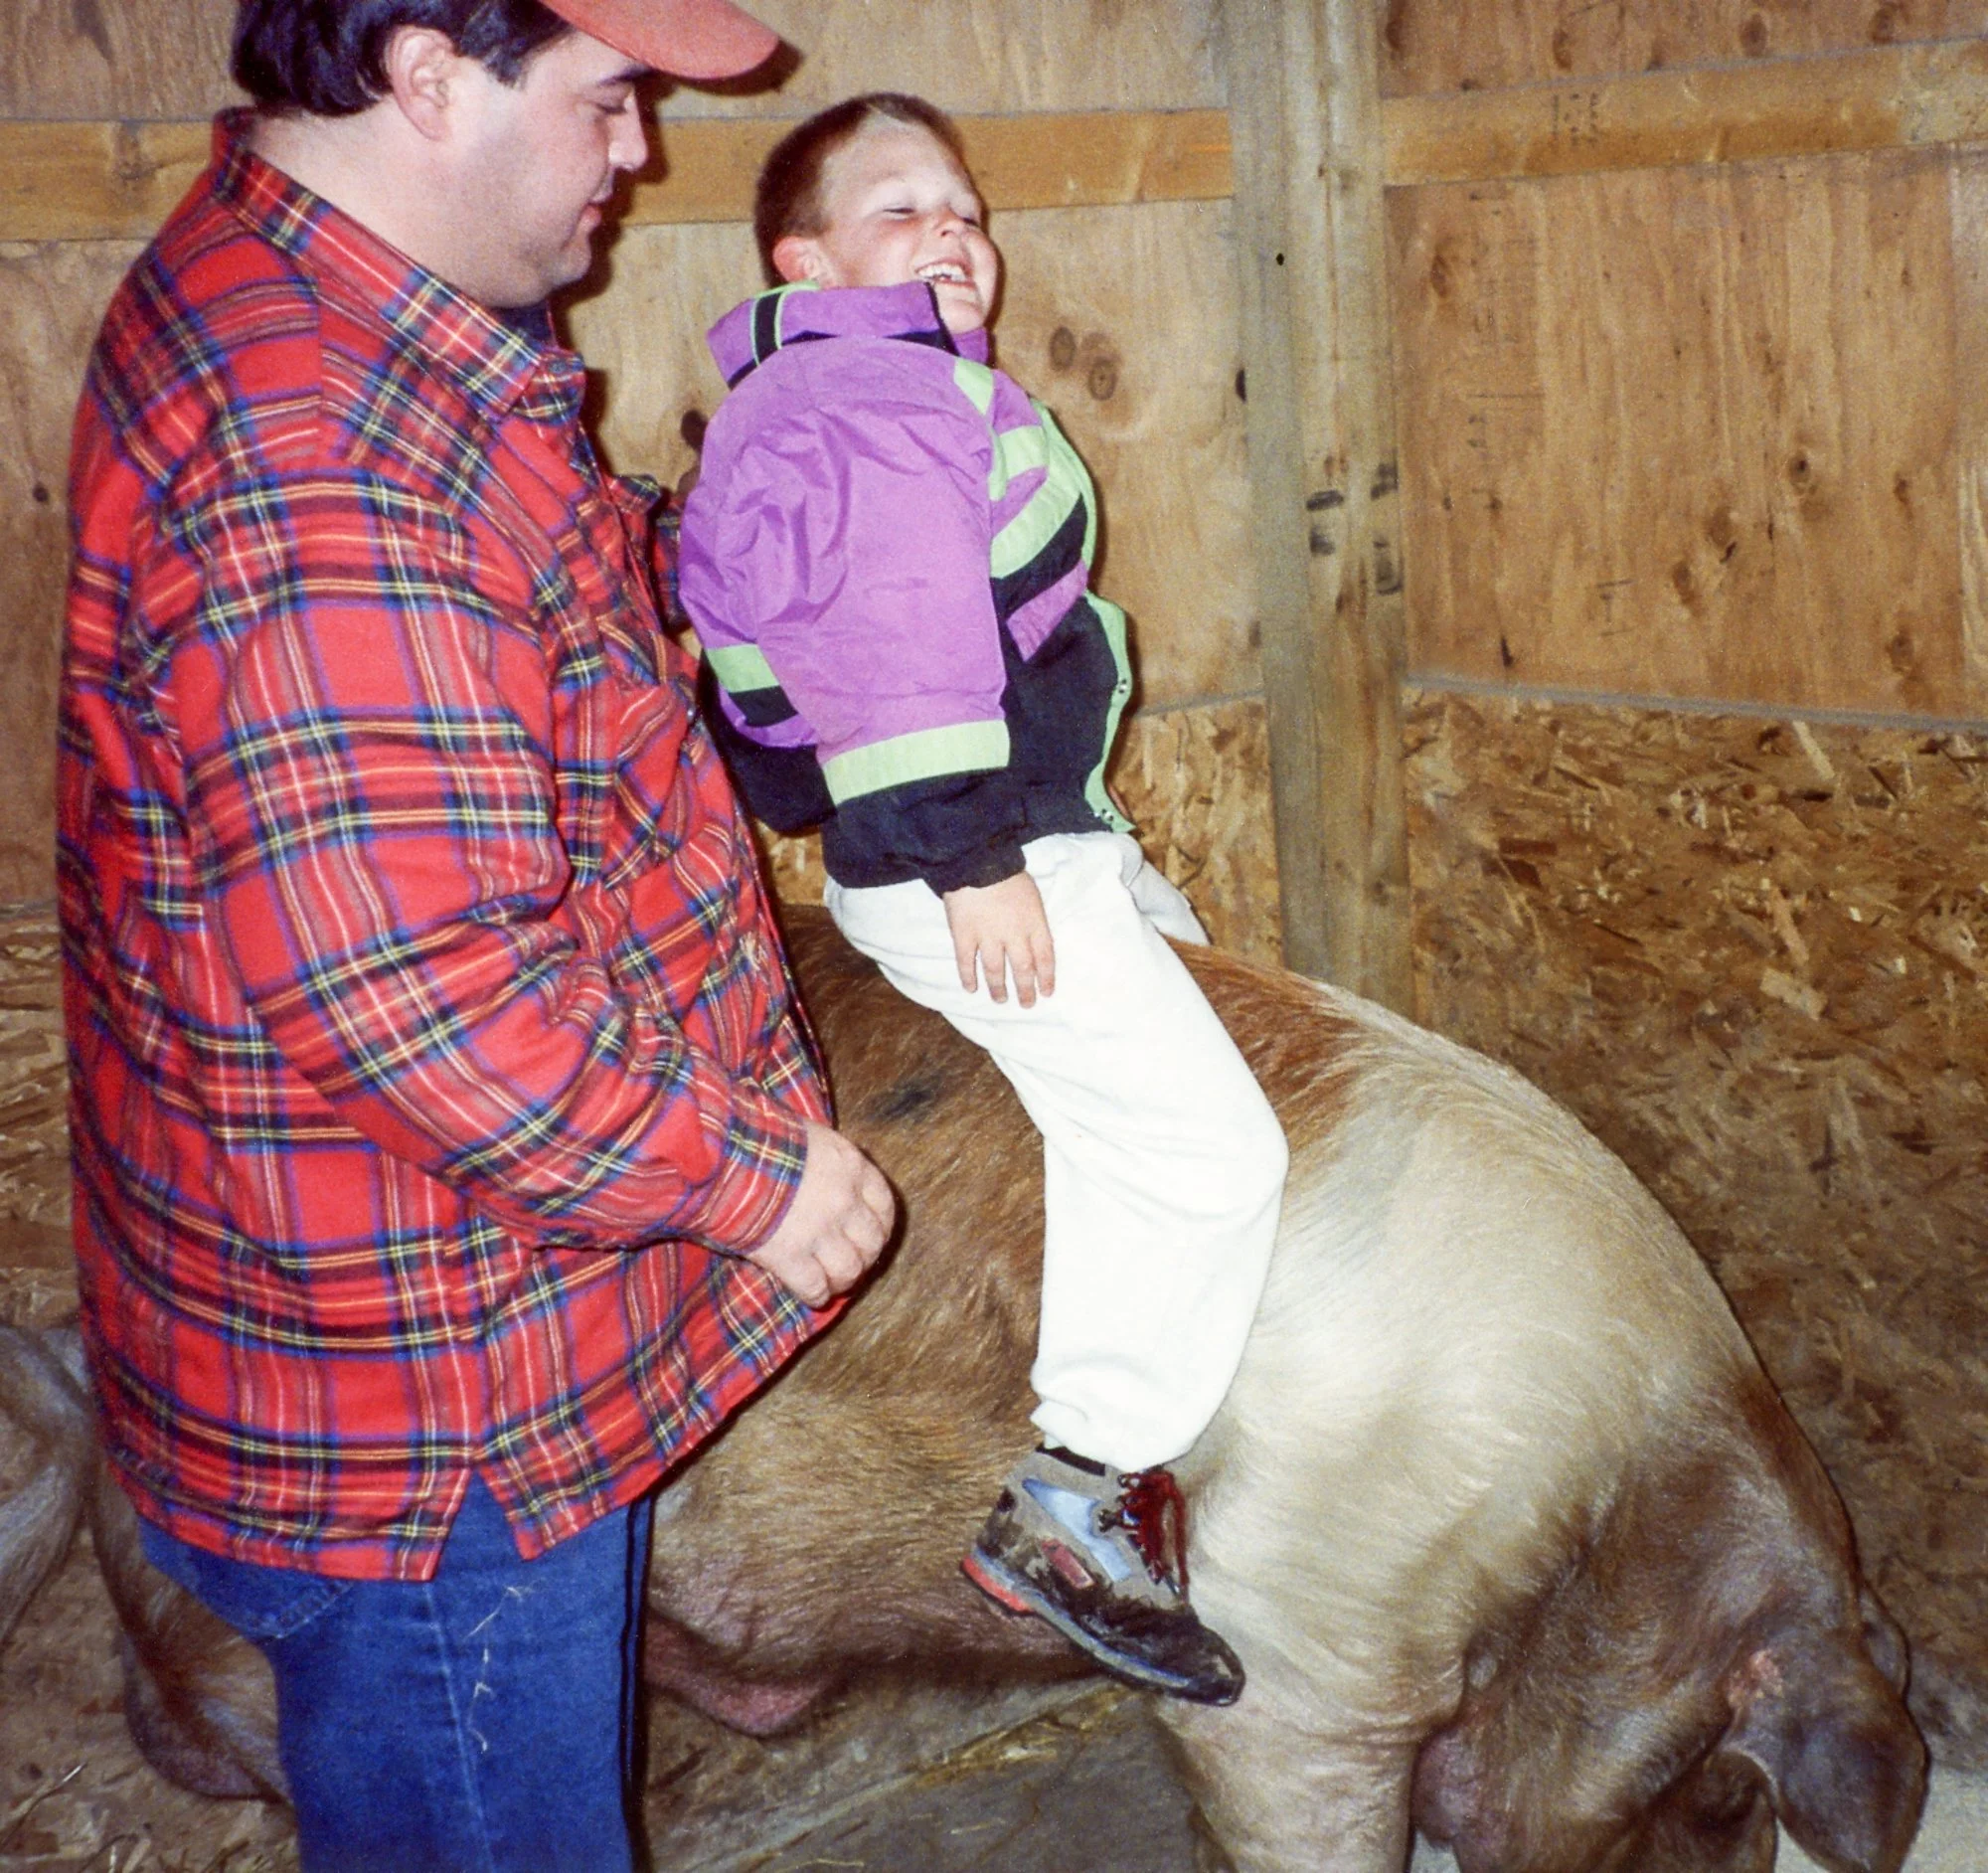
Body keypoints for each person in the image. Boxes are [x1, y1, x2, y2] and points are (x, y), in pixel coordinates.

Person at [57, 3, 896, 1867]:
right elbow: (416, 999)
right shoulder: (326, 455)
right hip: (438, 1399)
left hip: (355, 1300)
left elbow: (483, 632)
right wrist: (752, 1175)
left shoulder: (328, 307)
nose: (638, 153)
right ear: (430, 75)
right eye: (609, 101)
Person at [678, 93, 1289, 1708]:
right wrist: (972, 863)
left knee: (1194, 1022)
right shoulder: (865, 404)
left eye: (966, 208)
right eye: (901, 209)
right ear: (804, 261)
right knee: (1215, 1153)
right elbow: (897, 658)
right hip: (978, 855)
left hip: (1019, 833)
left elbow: (791, 713)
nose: (952, 230)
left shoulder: (863, 394)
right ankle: (1077, 1494)